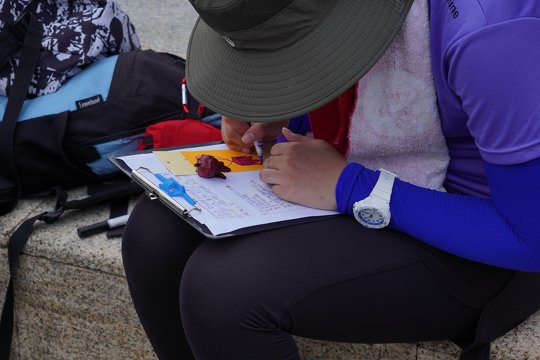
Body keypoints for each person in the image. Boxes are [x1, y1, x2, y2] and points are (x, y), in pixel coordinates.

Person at [121, 0, 540, 359]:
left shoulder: (491, 37)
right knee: (153, 233)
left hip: (486, 241)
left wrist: (352, 187)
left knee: (224, 292)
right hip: (375, 181)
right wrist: (277, 98)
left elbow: (529, 238)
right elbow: (366, 88)